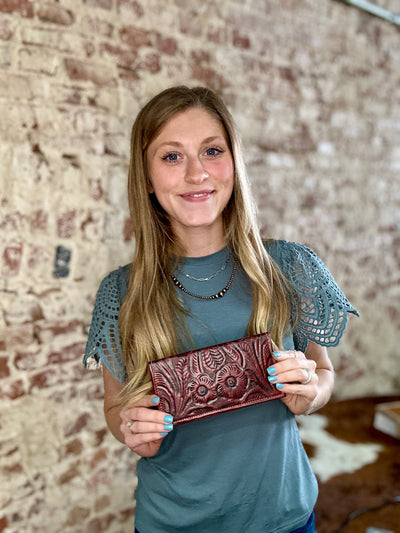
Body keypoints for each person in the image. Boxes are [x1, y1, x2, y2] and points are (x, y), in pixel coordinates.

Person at [84, 85, 358, 533]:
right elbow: (116, 407)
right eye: (172, 156)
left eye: (212, 150)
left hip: (284, 518)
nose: (197, 173)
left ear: (234, 163)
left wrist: (311, 391)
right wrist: (132, 430)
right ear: (147, 179)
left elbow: (323, 374)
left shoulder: (289, 266)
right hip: (173, 523)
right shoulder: (121, 292)